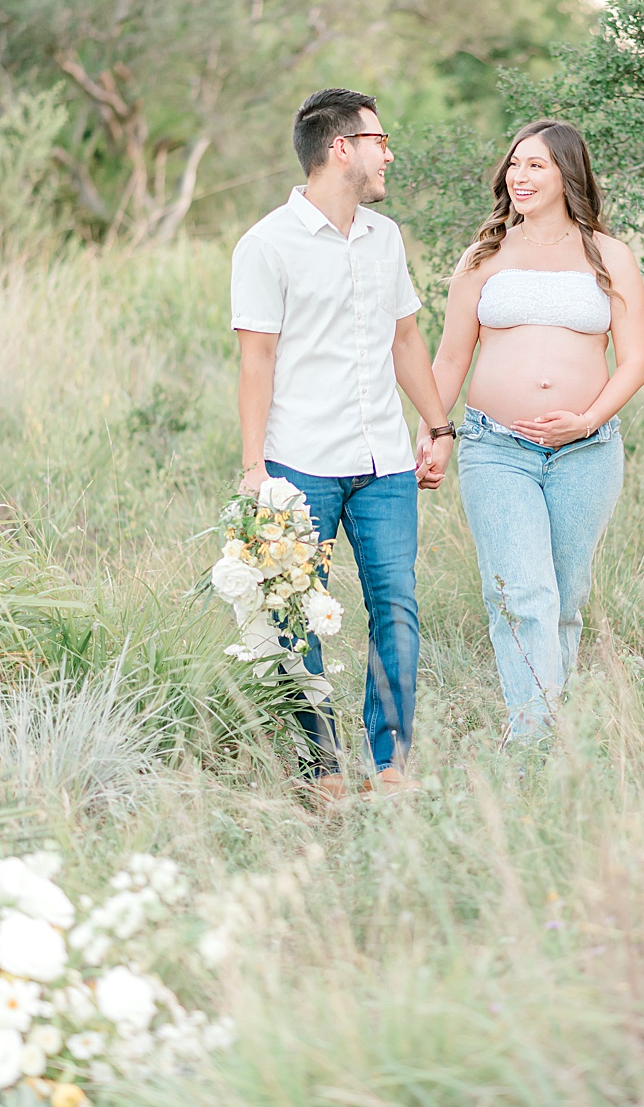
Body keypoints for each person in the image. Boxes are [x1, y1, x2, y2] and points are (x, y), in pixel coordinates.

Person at [231, 87, 457, 802]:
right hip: (301, 461)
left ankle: (391, 767)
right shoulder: (266, 244)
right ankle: (321, 768)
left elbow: (406, 338)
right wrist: (253, 468)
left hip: (385, 461)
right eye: (380, 140)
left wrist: (439, 425)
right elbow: (255, 359)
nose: (389, 154)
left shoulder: (384, 238)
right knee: (296, 614)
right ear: (341, 148)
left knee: (396, 606)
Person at [430, 119, 644, 742]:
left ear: (566, 175)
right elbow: (450, 359)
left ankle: (556, 731)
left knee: (565, 598)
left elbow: (634, 363)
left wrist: (585, 420)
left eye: (536, 166)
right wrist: (434, 431)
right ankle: (532, 743)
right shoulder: (483, 257)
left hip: (587, 451)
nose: (519, 177)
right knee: (523, 594)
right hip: (496, 449)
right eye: (514, 165)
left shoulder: (609, 256)